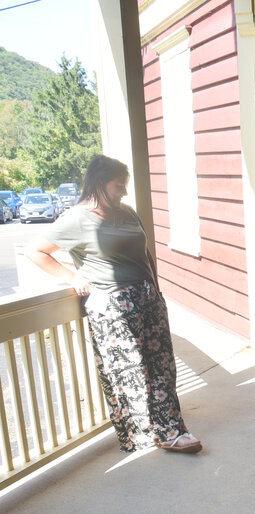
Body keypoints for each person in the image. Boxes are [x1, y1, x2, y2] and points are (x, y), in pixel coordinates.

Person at [25, 155, 202, 453]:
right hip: (113, 305)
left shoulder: (128, 213)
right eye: (119, 186)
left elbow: (145, 253)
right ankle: (145, 435)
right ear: (98, 184)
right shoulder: (76, 219)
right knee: (130, 371)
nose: (124, 192)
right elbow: (36, 251)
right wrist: (71, 276)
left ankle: (170, 431)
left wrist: (155, 289)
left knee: (162, 368)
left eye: (125, 186)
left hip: (147, 298)